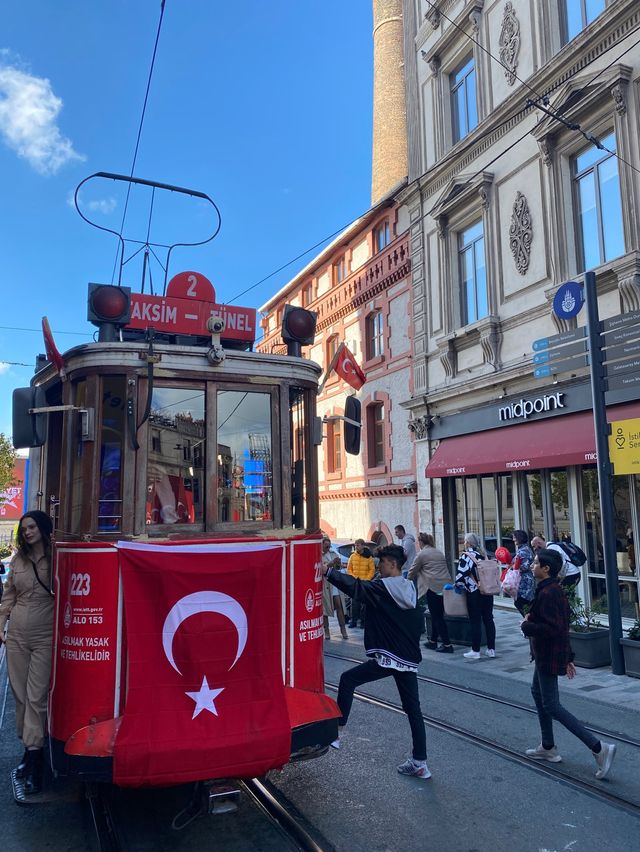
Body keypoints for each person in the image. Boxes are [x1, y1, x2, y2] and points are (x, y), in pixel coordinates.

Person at [324, 544, 430, 779]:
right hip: (407, 658)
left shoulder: (385, 587)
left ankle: (337, 732)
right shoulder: (408, 586)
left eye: (381, 563)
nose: (377, 566)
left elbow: (357, 588)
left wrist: (328, 573)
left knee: (347, 679)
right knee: (414, 710)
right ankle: (420, 762)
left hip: (390, 656)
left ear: (392, 564)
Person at [521, 548, 616, 779]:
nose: (532, 566)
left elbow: (555, 628)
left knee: (552, 705)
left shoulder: (550, 593)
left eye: (535, 563)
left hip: (548, 654)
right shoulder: (549, 589)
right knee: (537, 692)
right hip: (546, 653)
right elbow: (562, 625)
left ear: (546, 569)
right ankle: (548, 747)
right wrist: (569, 657)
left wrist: (527, 626)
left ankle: (598, 747)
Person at [0, 511, 55, 794]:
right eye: (24, 529)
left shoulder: (56, 556)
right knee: (20, 697)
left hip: (45, 635)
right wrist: (1, 627)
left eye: (32, 527)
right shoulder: (19, 558)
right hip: (17, 635)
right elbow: (8, 594)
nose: (28, 532)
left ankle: (35, 763)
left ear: (43, 528)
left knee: (36, 698)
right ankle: (29, 750)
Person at [408, 533, 453, 653]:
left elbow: (412, 570)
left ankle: (447, 645)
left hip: (432, 587)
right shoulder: (438, 552)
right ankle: (433, 641)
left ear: (421, 543)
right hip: (444, 587)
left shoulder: (422, 554)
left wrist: (406, 581)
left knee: (437, 617)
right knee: (436, 615)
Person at [455, 532, 496, 660]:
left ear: (468, 543)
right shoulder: (484, 555)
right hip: (487, 591)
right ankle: (491, 649)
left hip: (474, 592)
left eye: (465, 541)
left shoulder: (467, 556)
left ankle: (476, 650)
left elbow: (461, 575)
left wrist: (456, 584)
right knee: (488, 619)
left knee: (475, 621)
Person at [321, 537, 348, 640]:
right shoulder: (319, 554)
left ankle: (343, 629)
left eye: (329, 546)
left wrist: (337, 563)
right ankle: (326, 631)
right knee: (325, 609)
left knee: (339, 605)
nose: (328, 548)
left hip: (335, 583)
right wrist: (330, 563)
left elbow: (338, 568)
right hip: (326, 585)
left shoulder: (333, 553)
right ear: (322, 545)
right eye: (326, 546)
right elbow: (321, 568)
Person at [346, 539, 375, 628]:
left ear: (363, 546)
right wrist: (353, 577)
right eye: (355, 545)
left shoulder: (369, 557)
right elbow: (349, 569)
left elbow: (372, 570)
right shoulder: (352, 557)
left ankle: (363, 621)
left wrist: (366, 579)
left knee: (364, 604)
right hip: (355, 583)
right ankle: (353, 621)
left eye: (358, 545)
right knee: (354, 603)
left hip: (364, 583)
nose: (356, 547)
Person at [511, 530, 535, 616]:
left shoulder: (523, 551)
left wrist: (513, 567)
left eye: (514, 537)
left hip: (525, 582)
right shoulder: (524, 549)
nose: (513, 540)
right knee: (522, 603)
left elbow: (525, 566)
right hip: (525, 580)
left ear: (519, 538)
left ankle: (529, 621)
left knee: (521, 602)